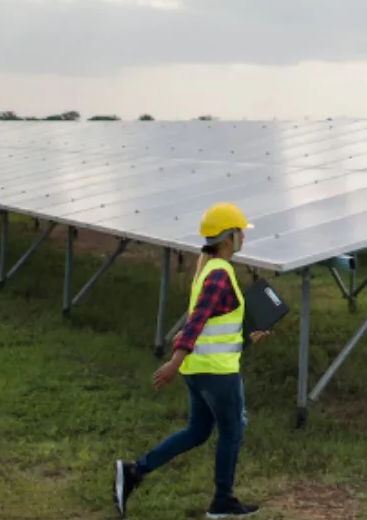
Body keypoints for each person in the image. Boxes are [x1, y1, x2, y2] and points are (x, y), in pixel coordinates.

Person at [114, 203, 269, 518]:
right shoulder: (219, 274)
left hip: (200, 370)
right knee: (232, 430)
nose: (243, 237)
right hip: (216, 374)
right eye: (240, 231)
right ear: (228, 236)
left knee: (198, 431)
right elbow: (196, 320)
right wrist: (173, 361)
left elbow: (214, 326)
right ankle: (222, 501)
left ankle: (134, 471)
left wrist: (245, 338)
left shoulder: (209, 268)